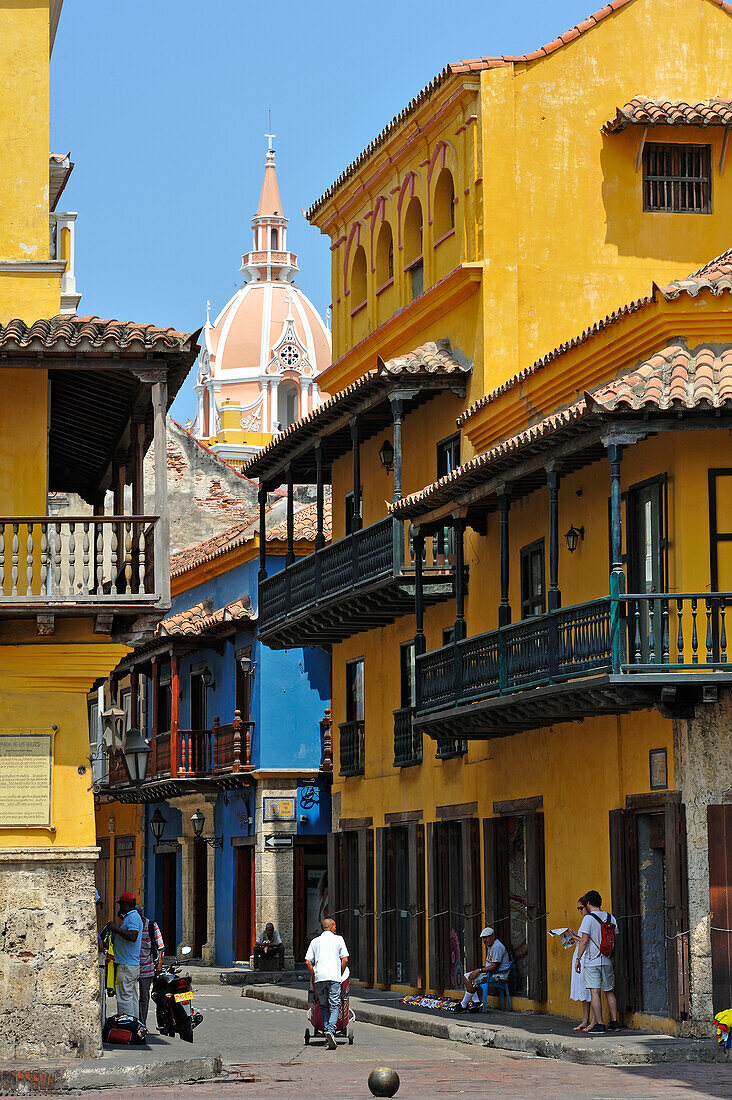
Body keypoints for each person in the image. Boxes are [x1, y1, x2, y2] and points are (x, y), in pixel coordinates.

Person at [574, 889, 621, 1033]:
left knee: (595, 992)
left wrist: (578, 958)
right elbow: (614, 936)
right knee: (609, 991)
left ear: (588, 903)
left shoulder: (588, 919)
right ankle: (614, 1022)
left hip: (592, 961)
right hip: (607, 959)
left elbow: (584, 940)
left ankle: (600, 1024)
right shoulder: (610, 917)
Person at [305, 918, 349, 1049]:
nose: (336, 928)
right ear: (331, 927)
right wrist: (339, 973)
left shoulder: (315, 941)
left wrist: (314, 975)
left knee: (323, 1005)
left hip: (320, 978)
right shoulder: (338, 939)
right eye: (335, 926)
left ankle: (326, 1031)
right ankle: (331, 1029)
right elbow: (345, 959)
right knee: (335, 1004)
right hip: (334, 977)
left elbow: (308, 962)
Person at [454, 926, 511, 1013]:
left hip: (498, 974)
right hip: (490, 972)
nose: (485, 940)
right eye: (483, 938)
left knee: (471, 978)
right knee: (466, 976)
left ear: (493, 936)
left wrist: (478, 971)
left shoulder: (497, 947)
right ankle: (476, 1003)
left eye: (487, 937)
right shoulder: (490, 946)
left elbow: (495, 966)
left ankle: (463, 1004)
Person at [107, 892, 144, 1019]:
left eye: (120, 904)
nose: (119, 907)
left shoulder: (132, 917)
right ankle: (135, 1025)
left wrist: (115, 929)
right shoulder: (132, 917)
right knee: (132, 996)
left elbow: (133, 936)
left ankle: (127, 1026)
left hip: (126, 965)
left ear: (125, 904)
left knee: (124, 997)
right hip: (130, 964)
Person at [569, 895, 594, 1032]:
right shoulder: (585, 920)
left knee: (591, 990)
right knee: (583, 991)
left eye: (581, 908)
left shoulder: (589, 920)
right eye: (578, 908)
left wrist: (573, 937)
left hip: (585, 957)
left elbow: (586, 940)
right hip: (580, 956)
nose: (579, 911)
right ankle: (585, 1019)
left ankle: (593, 1021)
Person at [137, 907, 165, 1026]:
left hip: (147, 968)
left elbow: (161, 946)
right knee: (131, 997)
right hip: (132, 967)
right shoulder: (130, 925)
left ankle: (142, 1023)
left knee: (144, 997)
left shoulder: (151, 926)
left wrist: (159, 964)